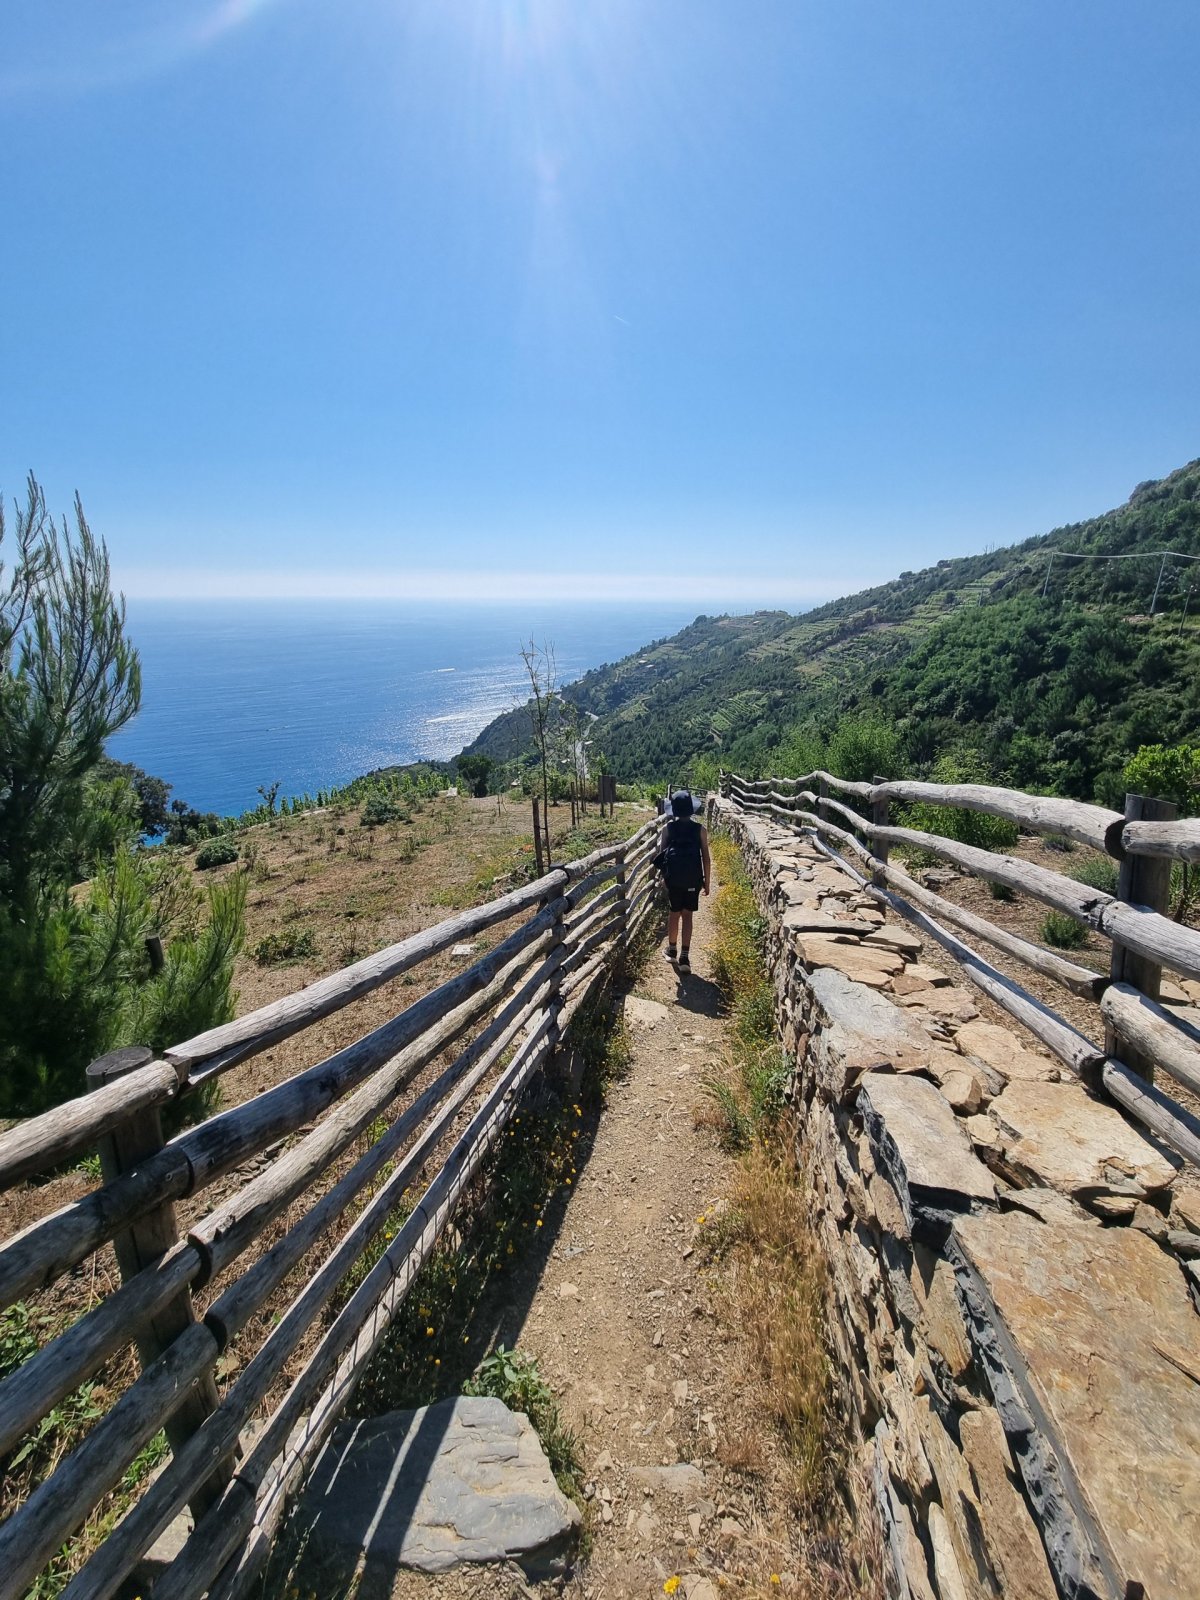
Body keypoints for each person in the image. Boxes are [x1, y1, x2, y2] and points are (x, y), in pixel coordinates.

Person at [656, 790, 711, 972]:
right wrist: (706, 882)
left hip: (674, 880)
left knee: (674, 913)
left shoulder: (667, 829)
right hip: (693, 880)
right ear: (691, 809)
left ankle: (672, 950)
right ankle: (685, 957)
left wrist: (665, 879)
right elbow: (706, 858)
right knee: (688, 915)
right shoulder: (700, 830)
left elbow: (663, 856)